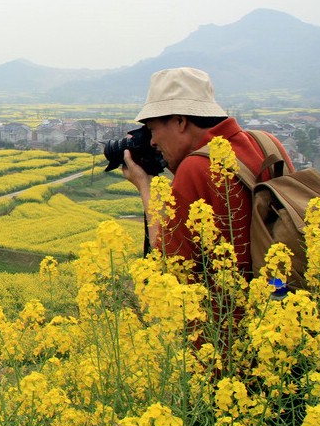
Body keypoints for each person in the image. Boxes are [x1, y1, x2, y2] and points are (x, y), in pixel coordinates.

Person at [121, 67, 294, 278]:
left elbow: (168, 268)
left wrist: (145, 188)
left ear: (180, 121)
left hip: (225, 309)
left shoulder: (196, 168)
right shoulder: (267, 142)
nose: (152, 141)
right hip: (283, 298)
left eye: (153, 128)